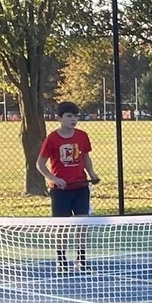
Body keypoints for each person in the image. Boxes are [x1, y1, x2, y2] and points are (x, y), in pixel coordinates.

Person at [36, 103, 100, 272]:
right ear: (59, 118)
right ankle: (61, 258)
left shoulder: (82, 136)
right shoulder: (52, 139)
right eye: (69, 116)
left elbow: (85, 157)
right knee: (62, 225)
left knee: (82, 223)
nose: (73, 119)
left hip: (80, 187)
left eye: (76, 116)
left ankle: (81, 258)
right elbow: (40, 164)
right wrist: (54, 179)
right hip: (60, 191)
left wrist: (92, 174)